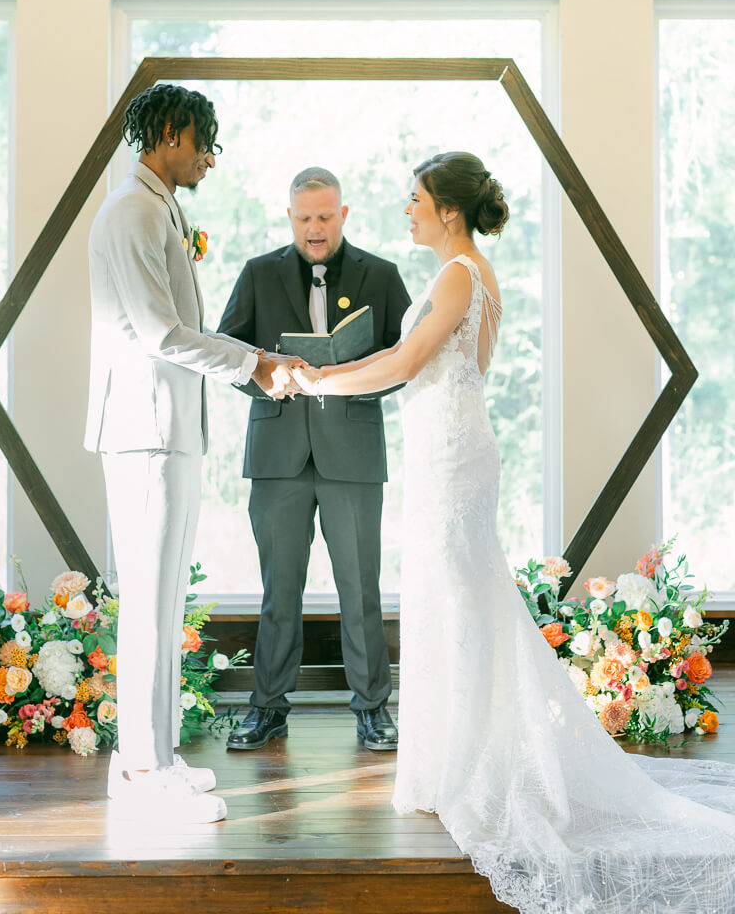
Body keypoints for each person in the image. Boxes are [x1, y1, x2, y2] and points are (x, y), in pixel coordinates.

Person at [293, 151, 735, 913]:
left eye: (416, 200)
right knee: (456, 604)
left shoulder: (460, 272)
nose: (408, 212)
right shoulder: (469, 271)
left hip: (452, 456)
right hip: (451, 446)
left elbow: (405, 360)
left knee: (463, 607)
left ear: (449, 211)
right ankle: (453, 758)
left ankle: (473, 765)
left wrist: (316, 379)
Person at [85, 83, 297, 823]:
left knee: (163, 599)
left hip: (167, 426)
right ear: (169, 134)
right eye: (204, 142)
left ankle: (153, 757)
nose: (210, 158)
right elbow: (159, 333)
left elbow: (175, 327)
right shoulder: (134, 211)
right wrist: (255, 365)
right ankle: (143, 771)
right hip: (144, 430)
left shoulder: (154, 207)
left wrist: (256, 354)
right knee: (146, 603)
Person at [218, 167, 411, 751]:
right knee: (279, 590)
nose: (315, 228)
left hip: (352, 453)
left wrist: (354, 378)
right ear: (289, 217)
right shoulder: (257, 274)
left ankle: (373, 708)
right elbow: (227, 352)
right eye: (304, 218)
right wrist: (267, 377)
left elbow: (407, 357)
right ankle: (268, 707)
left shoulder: (382, 275)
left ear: (344, 214)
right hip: (278, 454)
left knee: (362, 590)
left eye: (325, 217)